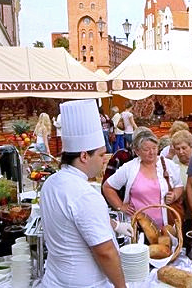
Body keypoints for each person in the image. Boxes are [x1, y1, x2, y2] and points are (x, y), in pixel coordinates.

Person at [39, 99, 129, 288]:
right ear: (84, 156)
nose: (104, 160)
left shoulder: (51, 182)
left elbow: (73, 221)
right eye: (100, 154)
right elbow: (106, 252)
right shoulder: (85, 195)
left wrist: (114, 224)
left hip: (55, 280)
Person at [103, 130, 183, 228]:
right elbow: (107, 187)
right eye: (146, 149)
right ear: (137, 151)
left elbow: (179, 186)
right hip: (138, 225)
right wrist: (121, 206)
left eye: (154, 148)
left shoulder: (168, 165)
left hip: (167, 226)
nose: (152, 152)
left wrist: (174, 195)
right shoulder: (129, 168)